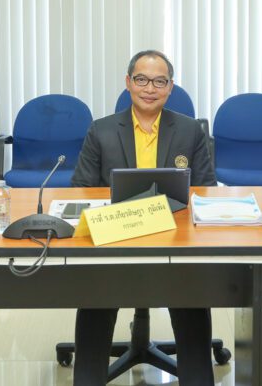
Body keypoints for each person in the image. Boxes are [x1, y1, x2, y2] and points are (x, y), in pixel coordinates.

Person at [71, 50, 216, 385]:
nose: (150, 88)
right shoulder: (102, 130)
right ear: (128, 82)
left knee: (193, 298)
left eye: (159, 81)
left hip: (176, 240)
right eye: (141, 79)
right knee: (94, 298)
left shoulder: (190, 130)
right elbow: (80, 191)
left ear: (170, 87)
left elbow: (206, 190)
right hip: (114, 242)